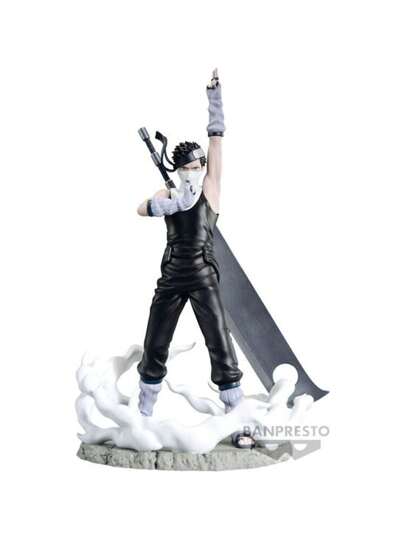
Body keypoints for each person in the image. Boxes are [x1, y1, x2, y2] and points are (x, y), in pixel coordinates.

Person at [136, 69, 254, 449]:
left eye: (199, 165)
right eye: (189, 166)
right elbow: (141, 208)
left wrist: (214, 99)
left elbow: (216, 142)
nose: (196, 171)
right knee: (156, 343)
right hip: (172, 276)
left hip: (203, 276)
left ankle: (238, 417)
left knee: (220, 344)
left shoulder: (210, 190)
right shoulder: (169, 193)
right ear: (178, 169)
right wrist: (168, 204)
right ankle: (142, 415)